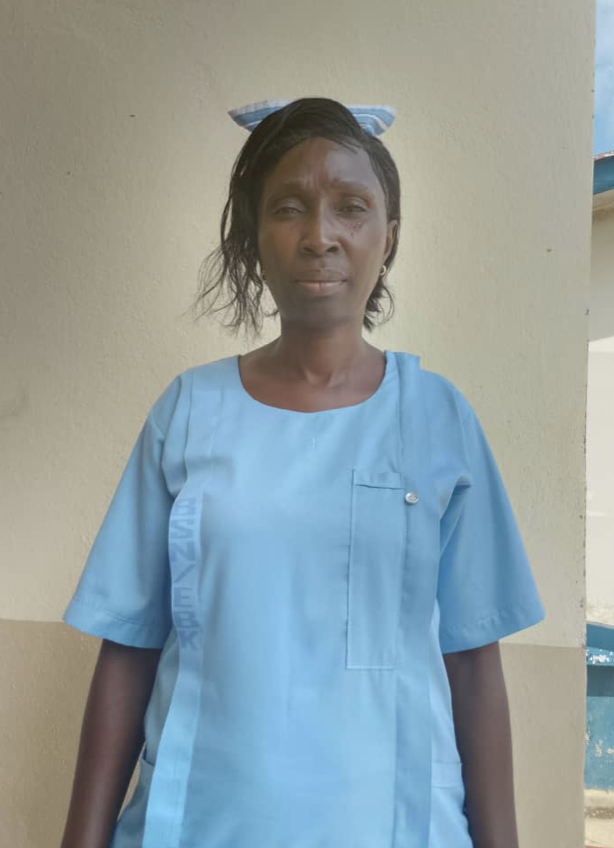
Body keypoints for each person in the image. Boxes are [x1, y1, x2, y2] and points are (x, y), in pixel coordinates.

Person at [60, 96, 545, 848]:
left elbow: (474, 667)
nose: (320, 237)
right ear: (255, 237)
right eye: (289, 207)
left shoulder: (438, 421)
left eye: (352, 208)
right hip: (200, 826)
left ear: (390, 238)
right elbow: (128, 648)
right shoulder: (188, 414)